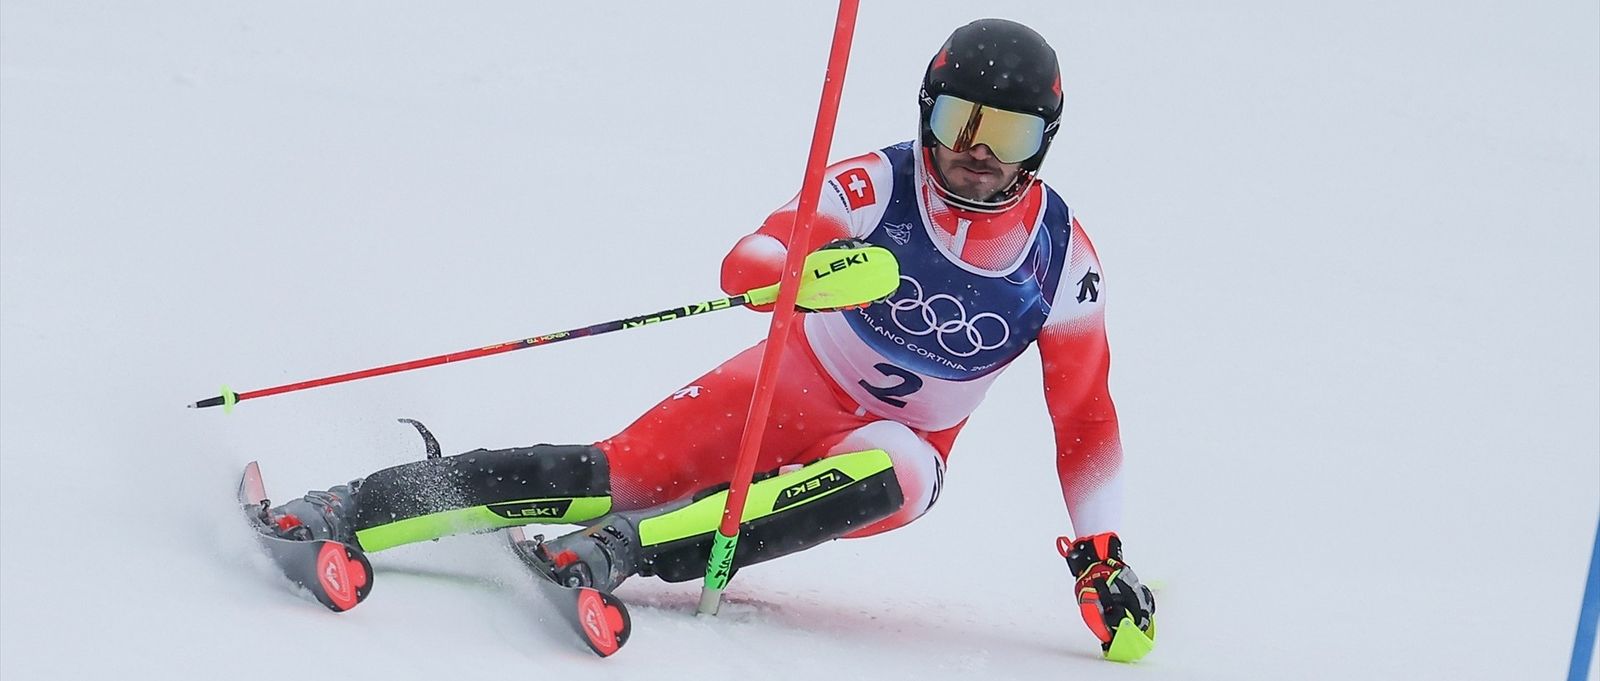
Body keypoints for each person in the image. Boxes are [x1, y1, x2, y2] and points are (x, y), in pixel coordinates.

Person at [259, 18, 1155, 658]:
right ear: (925, 111)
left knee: (913, 473)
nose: (974, 149)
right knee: (610, 475)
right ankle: (344, 507)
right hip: (782, 390)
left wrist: (1100, 555)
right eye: (956, 118)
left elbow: (1086, 415)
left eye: (1006, 132)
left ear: (1043, 144)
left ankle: (619, 553)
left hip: (888, 450)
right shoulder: (879, 184)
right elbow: (752, 254)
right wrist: (793, 272)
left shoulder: (1062, 264)